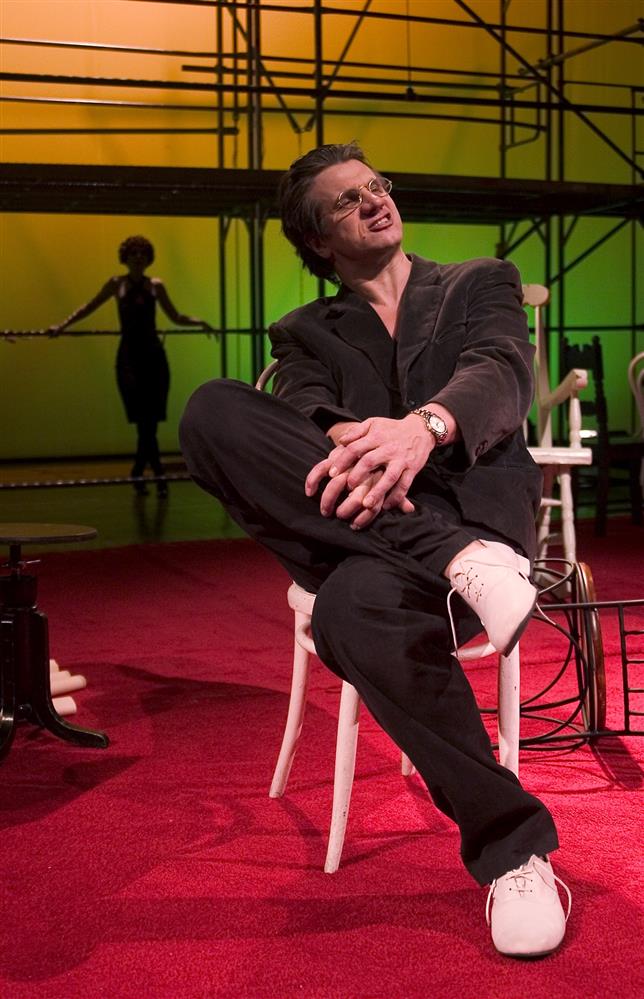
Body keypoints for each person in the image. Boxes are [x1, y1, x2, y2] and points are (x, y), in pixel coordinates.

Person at [178, 142, 571, 957]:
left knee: (348, 611)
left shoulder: (479, 280)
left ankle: (513, 852)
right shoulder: (303, 332)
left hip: (462, 523)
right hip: (371, 530)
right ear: (317, 240)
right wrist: (363, 444)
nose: (374, 201)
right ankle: (451, 558)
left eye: (377, 186)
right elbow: (305, 410)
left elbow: (501, 371)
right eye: (347, 201)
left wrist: (420, 429)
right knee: (211, 411)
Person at [48, 235, 214, 497]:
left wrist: (200, 323)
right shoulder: (116, 284)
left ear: (148, 258)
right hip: (129, 359)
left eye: (142, 253)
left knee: (149, 423)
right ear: (125, 257)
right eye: (133, 253)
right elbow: (89, 307)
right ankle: (154, 475)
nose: (138, 257)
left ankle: (142, 473)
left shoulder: (155, 285)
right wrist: (61, 326)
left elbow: (175, 316)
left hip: (153, 358)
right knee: (143, 422)